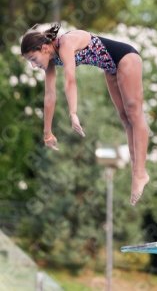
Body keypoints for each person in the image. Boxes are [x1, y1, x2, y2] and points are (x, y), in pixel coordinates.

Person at [21, 23, 149, 206]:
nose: (34, 65)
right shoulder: (51, 60)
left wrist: (73, 112)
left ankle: (140, 173)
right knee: (124, 117)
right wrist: (47, 133)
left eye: (33, 59)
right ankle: (137, 171)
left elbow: (70, 80)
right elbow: (49, 96)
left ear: (43, 48)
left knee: (134, 112)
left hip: (126, 57)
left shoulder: (65, 44)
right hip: (110, 66)